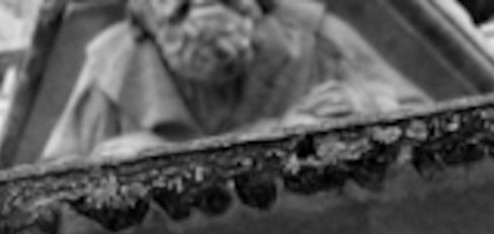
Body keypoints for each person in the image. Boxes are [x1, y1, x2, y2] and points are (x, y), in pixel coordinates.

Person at [38, 0, 414, 161]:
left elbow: (419, 115)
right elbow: (46, 192)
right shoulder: (115, 63)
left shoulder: (311, 37)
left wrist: (358, 105)